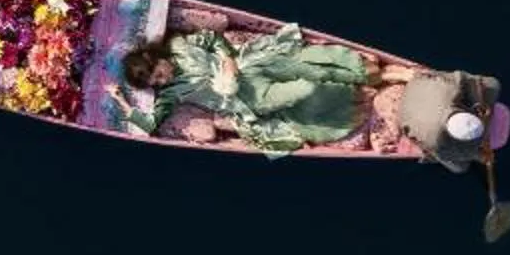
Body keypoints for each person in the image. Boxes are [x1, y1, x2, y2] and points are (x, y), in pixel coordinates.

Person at [118, 26, 413, 158]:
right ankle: (361, 96)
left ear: (155, 58)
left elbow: (212, 39)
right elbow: (150, 124)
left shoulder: (179, 47)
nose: (161, 81)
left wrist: (229, 59)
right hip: (247, 98)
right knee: (305, 90)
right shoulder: (171, 95)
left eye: (157, 74)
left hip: (250, 66)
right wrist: (120, 101)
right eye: (155, 83)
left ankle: (387, 74)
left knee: (309, 67)